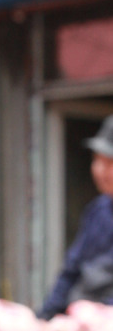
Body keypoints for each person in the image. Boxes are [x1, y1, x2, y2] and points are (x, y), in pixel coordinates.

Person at [40, 115, 113, 319]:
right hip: (83, 320)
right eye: (96, 160)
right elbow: (70, 270)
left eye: (108, 163)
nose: (99, 170)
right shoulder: (97, 211)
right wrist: (45, 318)